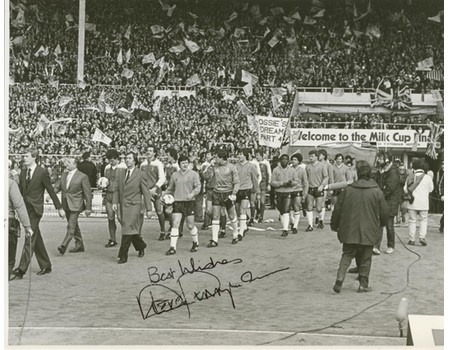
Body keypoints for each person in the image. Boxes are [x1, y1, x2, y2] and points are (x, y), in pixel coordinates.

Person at [331, 161, 388, 293]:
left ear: (357, 174)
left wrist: (334, 224)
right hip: (369, 229)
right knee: (366, 257)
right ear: (370, 175)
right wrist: (382, 224)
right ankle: (363, 284)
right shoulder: (377, 191)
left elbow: (337, 210)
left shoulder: (348, 190)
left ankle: (340, 278)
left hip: (349, 228)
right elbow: (384, 212)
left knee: (347, 255)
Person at [12, 148, 65, 279]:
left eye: (27, 156)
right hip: (25, 209)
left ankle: (21, 269)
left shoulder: (42, 172)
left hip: (35, 209)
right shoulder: (23, 171)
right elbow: (20, 191)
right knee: (36, 236)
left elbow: (51, 190)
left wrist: (59, 207)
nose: (24, 158)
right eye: (24, 156)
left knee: (29, 236)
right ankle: (46, 265)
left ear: (34, 158)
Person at [112, 151, 152, 264]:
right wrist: (114, 202)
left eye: (129, 158)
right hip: (122, 206)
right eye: (126, 158)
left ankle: (123, 255)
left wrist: (149, 209)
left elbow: (146, 192)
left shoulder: (140, 174)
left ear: (134, 160)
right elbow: (116, 189)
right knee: (130, 229)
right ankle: (141, 245)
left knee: (127, 229)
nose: (127, 160)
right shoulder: (120, 173)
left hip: (134, 205)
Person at [164, 155, 201, 255]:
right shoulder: (175, 175)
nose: (185, 165)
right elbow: (170, 188)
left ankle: (195, 242)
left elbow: (198, 187)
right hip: (177, 202)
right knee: (175, 223)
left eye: (186, 163)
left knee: (190, 225)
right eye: (182, 163)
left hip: (189, 203)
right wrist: (163, 194)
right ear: (179, 164)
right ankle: (172, 247)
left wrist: (192, 194)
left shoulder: (194, 174)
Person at [54, 157, 93, 254]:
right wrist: (51, 195)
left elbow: (88, 193)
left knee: (71, 225)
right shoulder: (64, 174)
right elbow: (58, 187)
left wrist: (88, 208)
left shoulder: (82, 176)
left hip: (76, 205)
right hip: (65, 204)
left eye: (69, 162)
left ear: (75, 165)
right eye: (66, 162)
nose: (66, 164)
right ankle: (79, 244)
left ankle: (63, 245)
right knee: (74, 225)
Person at [208, 149, 240, 247]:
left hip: (228, 193)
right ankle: (214, 240)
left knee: (231, 216)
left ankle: (235, 235)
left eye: (217, 157)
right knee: (215, 216)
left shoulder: (231, 167)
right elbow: (207, 177)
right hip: (217, 193)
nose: (215, 159)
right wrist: (210, 166)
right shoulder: (214, 166)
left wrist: (234, 193)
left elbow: (237, 182)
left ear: (222, 158)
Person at [374, 151, 401, 255]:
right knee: (379, 224)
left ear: (387, 160)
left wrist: (380, 196)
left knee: (389, 225)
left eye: (380, 158)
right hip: (383, 201)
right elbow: (379, 185)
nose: (378, 160)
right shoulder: (382, 171)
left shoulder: (393, 172)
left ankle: (391, 245)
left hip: (390, 203)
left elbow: (389, 189)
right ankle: (376, 246)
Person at [404, 159, 434, 246]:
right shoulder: (428, 177)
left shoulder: (410, 176)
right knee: (423, 220)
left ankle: (412, 239)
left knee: (412, 220)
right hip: (424, 203)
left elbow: (405, 189)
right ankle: (422, 237)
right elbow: (431, 189)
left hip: (412, 202)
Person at [9, 177, 33, 281]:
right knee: (8, 259)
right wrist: (27, 226)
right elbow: (19, 205)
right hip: (7, 223)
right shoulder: (10, 183)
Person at [141, 144, 166, 241]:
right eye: (147, 150)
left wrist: (155, 187)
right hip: (145, 191)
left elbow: (162, 178)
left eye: (150, 150)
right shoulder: (142, 164)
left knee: (159, 210)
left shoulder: (158, 163)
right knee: (141, 211)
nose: (148, 152)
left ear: (154, 153)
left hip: (155, 190)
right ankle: (138, 233)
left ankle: (162, 231)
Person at [235, 149, 260, 243]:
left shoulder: (251, 166)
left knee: (243, 210)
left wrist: (257, 192)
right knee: (237, 210)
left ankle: (240, 232)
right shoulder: (235, 166)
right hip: (237, 190)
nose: (239, 156)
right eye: (238, 154)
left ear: (245, 155)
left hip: (246, 189)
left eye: (240, 154)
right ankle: (244, 226)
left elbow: (255, 179)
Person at [271, 154, 298, 237]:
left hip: (288, 192)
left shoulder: (292, 170)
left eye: (286, 159)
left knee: (286, 210)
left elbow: (296, 181)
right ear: (280, 160)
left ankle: (285, 229)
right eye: (283, 159)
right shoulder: (276, 170)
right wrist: (282, 183)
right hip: (279, 192)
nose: (284, 161)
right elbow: (272, 182)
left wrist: (291, 183)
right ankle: (285, 226)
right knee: (282, 211)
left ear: (288, 161)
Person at [305, 150, 328, 231]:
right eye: (309, 156)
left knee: (319, 208)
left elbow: (326, 177)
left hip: (319, 188)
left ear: (316, 157)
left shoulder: (322, 165)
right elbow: (306, 178)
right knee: (309, 207)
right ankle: (310, 225)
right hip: (310, 189)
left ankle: (321, 219)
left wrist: (322, 185)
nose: (310, 158)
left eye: (312, 156)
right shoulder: (307, 167)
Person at [102, 149, 121, 247]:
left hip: (118, 195)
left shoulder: (122, 168)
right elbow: (105, 180)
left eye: (113, 159)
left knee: (121, 218)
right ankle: (113, 239)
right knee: (110, 218)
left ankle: (131, 237)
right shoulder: (107, 168)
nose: (111, 161)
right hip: (109, 194)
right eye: (109, 159)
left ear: (117, 159)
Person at [290, 153, 308, 234]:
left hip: (298, 190)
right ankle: (292, 221)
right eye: (292, 159)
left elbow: (305, 182)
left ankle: (295, 226)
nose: (293, 161)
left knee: (296, 206)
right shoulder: (289, 169)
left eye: (295, 160)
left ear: (299, 161)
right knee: (289, 208)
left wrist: (305, 193)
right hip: (289, 190)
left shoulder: (302, 170)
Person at [255, 149, 271, 223]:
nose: (257, 157)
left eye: (258, 155)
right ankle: (257, 211)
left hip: (263, 183)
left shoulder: (266, 163)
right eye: (256, 155)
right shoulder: (254, 163)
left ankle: (261, 216)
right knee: (254, 200)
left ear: (261, 156)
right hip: (255, 183)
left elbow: (269, 173)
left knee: (262, 200)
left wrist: (268, 184)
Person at [318, 149, 334, 223]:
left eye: (320, 154)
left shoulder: (328, 165)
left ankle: (321, 219)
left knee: (322, 203)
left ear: (324, 156)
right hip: (316, 185)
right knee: (316, 204)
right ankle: (318, 217)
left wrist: (331, 187)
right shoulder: (316, 163)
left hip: (325, 186)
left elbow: (331, 177)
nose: (318, 156)